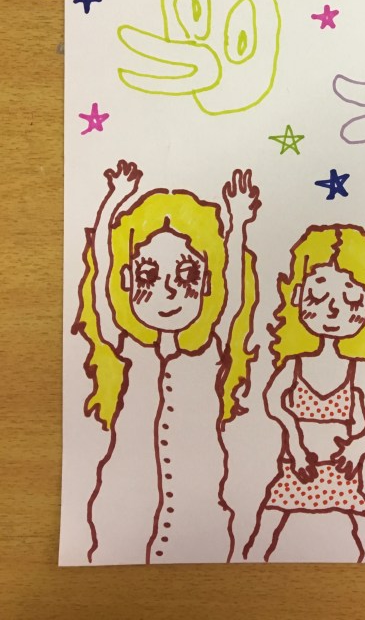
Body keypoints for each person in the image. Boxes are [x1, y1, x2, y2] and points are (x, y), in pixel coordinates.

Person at [74, 160, 259, 564]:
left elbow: (234, 296)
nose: (169, 290)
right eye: (149, 276)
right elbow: (101, 277)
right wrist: (112, 203)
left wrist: (238, 224)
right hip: (124, 507)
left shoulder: (207, 352)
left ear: (206, 283)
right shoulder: (130, 348)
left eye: (187, 275)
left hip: (200, 510)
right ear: (127, 281)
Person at [244, 224, 365, 562]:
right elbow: (274, 402)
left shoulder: (360, 370)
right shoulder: (294, 365)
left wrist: (357, 450)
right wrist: (295, 443)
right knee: (266, 529)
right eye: (318, 296)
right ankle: (243, 572)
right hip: (297, 468)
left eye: (351, 298)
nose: (333, 310)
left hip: (340, 471)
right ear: (298, 295)